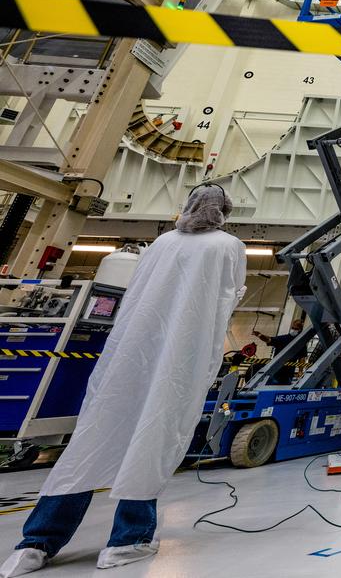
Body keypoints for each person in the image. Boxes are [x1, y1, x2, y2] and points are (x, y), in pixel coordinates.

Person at [1, 185, 246, 577]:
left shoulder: (161, 243)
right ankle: (127, 541)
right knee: (152, 441)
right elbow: (228, 297)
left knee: (91, 442)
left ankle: (36, 542)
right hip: (179, 358)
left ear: (186, 206)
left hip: (130, 355)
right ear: (225, 210)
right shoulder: (228, 246)